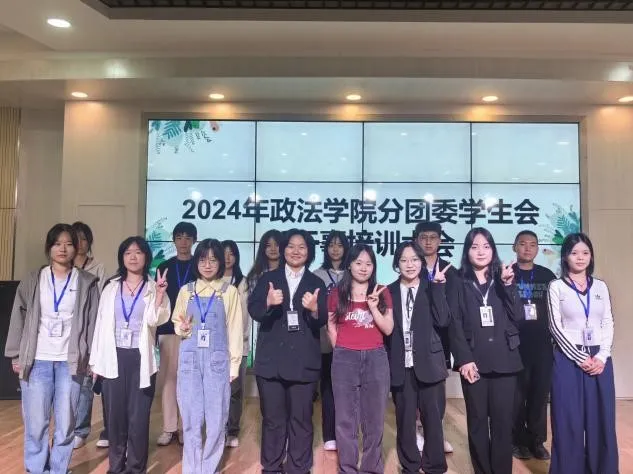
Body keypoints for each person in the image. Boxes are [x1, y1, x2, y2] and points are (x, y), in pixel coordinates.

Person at [5, 223, 99, 474]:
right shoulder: (34, 279)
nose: (63, 249)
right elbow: (18, 316)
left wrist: (92, 359)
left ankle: (58, 469)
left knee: (66, 423)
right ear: (49, 248)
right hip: (37, 359)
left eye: (68, 244)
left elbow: (93, 323)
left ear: (76, 248)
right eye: (57, 244)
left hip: (71, 361)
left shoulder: (87, 282)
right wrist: (15, 354)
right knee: (36, 423)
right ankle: (36, 469)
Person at [248, 228, 327, 474]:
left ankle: (299, 467)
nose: (296, 251)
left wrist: (314, 309)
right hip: (271, 362)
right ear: (283, 250)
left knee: (301, 420)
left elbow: (322, 319)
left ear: (309, 252)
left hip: (304, 362)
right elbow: (254, 310)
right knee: (273, 419)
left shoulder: (316, 282)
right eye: (291, 246)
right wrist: (268, 302)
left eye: (302, 247)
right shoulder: (268, 279)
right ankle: (271, 467)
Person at [89, 236, 171, 474]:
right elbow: (100, 326)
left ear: (146, 257)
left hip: (141, 358)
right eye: (127, 253)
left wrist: (159, 295)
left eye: (138, 252)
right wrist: (95, 362)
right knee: (115, 418)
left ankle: (136, 468)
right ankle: (115, 467)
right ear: (122, 258)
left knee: (138, 417)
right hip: (112, 357)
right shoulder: (111, 287)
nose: (133, 257)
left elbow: (156, 320)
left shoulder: (154, 287)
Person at [448, 227, 523, 474]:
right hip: (473, 361)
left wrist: (509, 285)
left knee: (502, 424)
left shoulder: (504, 277)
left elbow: (518, 316)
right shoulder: (457, 280)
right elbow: (454, 322)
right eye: (474, 246)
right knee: (477, 422)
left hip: (505, 360)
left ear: (493, 250)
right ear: (466, 251)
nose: (481, 251)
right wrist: (463, 359)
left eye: (486, 246)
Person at [548, 232, 618, 474]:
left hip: (600, 360)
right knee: (568, 421)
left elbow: (608, 322)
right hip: (568, 360)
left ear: (591, 256)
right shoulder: (556, 287)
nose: (580, 257)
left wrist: (602, 356)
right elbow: (555, 327)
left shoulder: (600, 286)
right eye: (574, 253)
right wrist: (580, 357)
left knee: (602, 420)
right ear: (565, 257)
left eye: (585, 253)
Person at [172, 238, 243, 473]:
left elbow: (235, 329)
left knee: (216, 418)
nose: (208, 265)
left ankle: (209, 467)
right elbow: (177, 322)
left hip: (218, 362)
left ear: (221, 262)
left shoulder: (229, 292)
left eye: (213, 260)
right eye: (203, 260)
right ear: (196, 262)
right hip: (190, 360)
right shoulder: (186, 291)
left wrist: (234, 365)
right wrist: (182, 327)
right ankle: (192, 468)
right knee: (191, 418)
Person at [327, 243, 394, 474]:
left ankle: (371, 468)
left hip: (376, 358)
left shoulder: (382, 291)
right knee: (345, 419)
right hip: (344, 358)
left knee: (374, 418)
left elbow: (388, 329)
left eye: (369, 263)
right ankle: (347, 469)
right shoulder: (337, 293)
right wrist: (342, 350)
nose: (364, 268)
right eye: (358, 263)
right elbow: (331, 327)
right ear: (349, 265)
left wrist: (373, 308)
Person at [387, 241, 452, 474]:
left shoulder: (432, 287)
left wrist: (438, 289)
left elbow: (443, 320)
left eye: (415, 259)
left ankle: (435, 465)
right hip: (400, 364)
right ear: (397, 264)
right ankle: (410, 465)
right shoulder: (388, 291)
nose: (410, 264)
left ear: (422, 263)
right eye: (404, 260)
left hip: (430, 363)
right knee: (405, 421)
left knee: (433, 419)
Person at [510, 230, 556, 461]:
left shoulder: (547, 276)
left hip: (542, 345)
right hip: (515, 345)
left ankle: (537, 442)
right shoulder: (506, 273)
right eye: (522, 244)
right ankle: (517, 442)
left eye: (532, 244)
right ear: (514, 247)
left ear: (537, 249)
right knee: (517, 397)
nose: (527, 248)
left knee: (539, 396)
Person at [414, 221, 456, 454]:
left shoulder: (451, 271)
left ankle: (436, 433)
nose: (428, 242)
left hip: (441, 338)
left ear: (440, 241)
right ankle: (417, 430)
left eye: (433, 237)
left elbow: (455, 310)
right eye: (423, 237)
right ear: (416, 240)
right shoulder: (411, 267)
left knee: (438, 389)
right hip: (417, 338)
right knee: (416, 386)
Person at [155, 221, 198, 446]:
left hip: (193, 330)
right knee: (169, 380)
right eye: (179, 237)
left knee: (189, 381)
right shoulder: (165, 266)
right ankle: (169, 427)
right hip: (167, 330)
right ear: (173, 240)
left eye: (188, 238)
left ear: (194, 241)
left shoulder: (199, 266)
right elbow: (157, 299)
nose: (183, 242)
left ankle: (184, 427)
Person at [71, 221, 108, 449]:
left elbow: (101, 301)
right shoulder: (61, 266)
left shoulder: (97, 268)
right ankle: (66, 427)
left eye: (84, 239)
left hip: (89, 329)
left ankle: (81, 430)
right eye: (76, 239)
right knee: (67, 383)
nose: (80, 243)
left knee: (85, 381)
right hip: (65, 332)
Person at [312, 230, 350, 452]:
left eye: (340, 245)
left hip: (350, 338)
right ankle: (329, 434)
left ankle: (347, 432)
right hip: (325, 339)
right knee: (327, 386)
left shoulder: (353, 272)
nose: (335, 249)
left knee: (347, 389)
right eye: (331, 245)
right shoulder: (317, 275)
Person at [221, 239, 250, 448]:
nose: (227, 257)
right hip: (216, 345)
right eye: (224, 253)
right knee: (217, 390)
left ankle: (232, 429)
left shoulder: (243, 282)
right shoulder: (211, 281)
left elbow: (246, 316)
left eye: (231, 253)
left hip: (238, 344)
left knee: (235, 391)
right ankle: (217, 428)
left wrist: (242, 339)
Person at [246, 229, 283, 363]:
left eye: (276, 245)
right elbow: (254, 306)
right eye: (268, 245)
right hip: (265, 327)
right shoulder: (256, 275)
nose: (273, 249)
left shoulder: (290, 272)